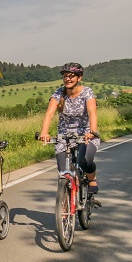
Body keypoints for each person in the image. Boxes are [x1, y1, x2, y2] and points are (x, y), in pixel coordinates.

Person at [38, 62, 100, 193]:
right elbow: (49, 113)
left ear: (79, 78)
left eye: (71, 76)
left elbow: (92, 112)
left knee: (85, 161)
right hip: (64, 135)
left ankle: (91, 179)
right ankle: (66, 202)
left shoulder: (87, 92)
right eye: (65, 76)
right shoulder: (59, 93)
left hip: (85, 134)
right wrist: (44, 132)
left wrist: (92, 131)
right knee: (63, 172)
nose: (68, 79)